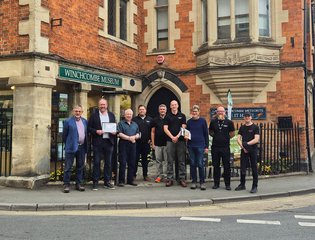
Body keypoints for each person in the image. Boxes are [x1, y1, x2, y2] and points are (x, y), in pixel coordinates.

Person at [88, 98, 116, 191]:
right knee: (96, 162)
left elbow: (114, 127)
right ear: (98, 105)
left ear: (107, 105)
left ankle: (107, 182)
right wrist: (96, 131)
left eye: (104, 104)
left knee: (108, 163)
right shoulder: (93, 115)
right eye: (101, 105)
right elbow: (89, 128)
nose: (102, 106)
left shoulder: (111, 115)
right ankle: (95, 182)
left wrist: (114, 132)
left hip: (109, 142)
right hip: (98, 142)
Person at [62, 105, 88, 193]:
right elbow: (64, 135)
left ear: (82, 112)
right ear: (73, 111)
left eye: (79, 111)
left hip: (82, 147)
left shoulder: (85, 121)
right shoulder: (68, 121)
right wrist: (69, 143)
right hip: (71, 147)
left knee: (80, 167)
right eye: (76, 111)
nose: (77, 113)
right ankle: (66, 185)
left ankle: (79, 184)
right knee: (68, 167)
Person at [209, 106, 235, 190]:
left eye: (222, 111)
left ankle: (227, 184)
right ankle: (216, 184)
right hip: (215, 147)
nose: (220, 113)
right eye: (219, 111)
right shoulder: (213, 122)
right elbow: (210, 132)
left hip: (225, 147)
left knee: (227, 166)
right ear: (217, 112)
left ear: (225, 112)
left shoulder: (229, 122)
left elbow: (232, 134)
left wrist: (225, 138)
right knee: (216, 166)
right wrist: (217, 137)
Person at [164, 100, 187, 187]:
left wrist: (177, 136)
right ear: (170, 106)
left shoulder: (182, 116)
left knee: (181, 161)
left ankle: (182, 179)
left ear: (178, 106)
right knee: (170, 161)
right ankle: (170, 179)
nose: (174, 106)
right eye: (172, 105)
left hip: (180, 141)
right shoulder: (167, 116)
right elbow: (165, 128)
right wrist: (172, 137)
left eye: (175, 105)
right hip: (170, 141)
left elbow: (183, 128)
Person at [186, 105, 209, 190]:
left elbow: (206, 134)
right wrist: (187, 143)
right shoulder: (189, 122)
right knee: (192, 164)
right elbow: (187, 134)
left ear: (199, 112)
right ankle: (194, 181)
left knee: (200, 164)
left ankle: (202, 182)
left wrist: (206, 146)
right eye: (193, 111)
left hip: (200, 145)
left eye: (196, 111)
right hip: (191, 146)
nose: (194, 113)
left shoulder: (203, 121)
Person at [236, 112, 260, 193]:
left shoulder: (255, 127)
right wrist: (243, 147)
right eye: (245, 116)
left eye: (248, 116)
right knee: (243, 168)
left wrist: (247, 144)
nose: (247, 118)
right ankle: (242, 185)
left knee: (254, 168)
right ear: (244, 118)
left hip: (253, 150)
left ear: (251, 117)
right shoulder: (242, 128)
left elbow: (256, 139)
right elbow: (238, 138)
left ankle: (254, 186)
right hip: (244, 150)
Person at [117, 109, 140, 186]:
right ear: (124, 115)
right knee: (123, 163)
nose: (129, 116)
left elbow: (138, 134)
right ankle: (121, 181)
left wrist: (134, 137)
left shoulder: (135, 124)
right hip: (123, 144)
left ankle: (130, 180)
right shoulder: (120, 123)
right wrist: (129, 138)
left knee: (132, 162)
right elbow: (119, 134)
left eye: (130, 114)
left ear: (132, 115)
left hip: (133, 145)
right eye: (127, 114)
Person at [133, 105, 153, 181]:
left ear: (146, 110)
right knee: (135, 159)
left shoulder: (150, 119)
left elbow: (152, 131)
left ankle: (145, 175)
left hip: (146, 143)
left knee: (145, 160)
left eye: (143, 109)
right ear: (138, 111)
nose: (141, 111)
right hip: (136, 143)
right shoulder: (134, 119)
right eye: (140, 109)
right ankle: (133, 175)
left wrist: (151, 139)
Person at [151, 104, 168, 183]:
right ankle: (159, 175)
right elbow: (153, 132)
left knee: (167, 161)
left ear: (166, 110)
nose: (162, 110)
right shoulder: (155, 120)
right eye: (161, 109)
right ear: (159, 110)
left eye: (163, 109)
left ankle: (166, 175)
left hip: (167, 143)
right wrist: (153, 143)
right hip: (157, 143)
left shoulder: (168, 119)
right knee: (158, 160)